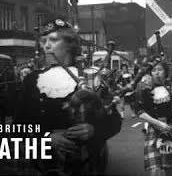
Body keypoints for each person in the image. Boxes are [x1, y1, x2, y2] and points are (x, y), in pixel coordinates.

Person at [13, 19, 122, 175]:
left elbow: (114, 121)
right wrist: (46, 137)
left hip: (87, 164)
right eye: (44, 41)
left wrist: (94, 130)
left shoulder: (91, 76)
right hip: (44, 165)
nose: (46, 46)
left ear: (70, 44)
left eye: (54, 40)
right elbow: (18, 126)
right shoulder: (33, 80)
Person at [135, 61, 172, 176]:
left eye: (160, 69)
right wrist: (158, 123)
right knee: (154, 169)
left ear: (166, 72)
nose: (156, 72)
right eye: (154, 70)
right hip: (154, 130)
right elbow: (139, 111)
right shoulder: (146, 89)